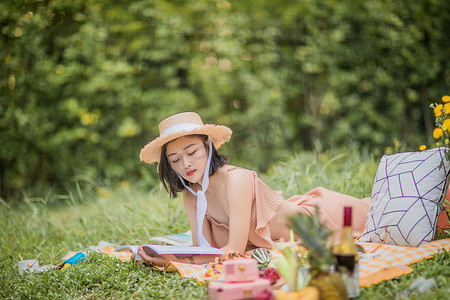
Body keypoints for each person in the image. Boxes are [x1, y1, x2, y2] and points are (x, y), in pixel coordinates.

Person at [134, 112, 370, 266]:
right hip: (295, 233)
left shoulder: (236, 180)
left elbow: (233, 251)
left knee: (389, 208)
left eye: (192, 152)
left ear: (208, 146)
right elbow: (204, 253)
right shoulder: (192, 195)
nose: (185, 164)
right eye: (174, 160)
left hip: (325, 219)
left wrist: (173, 262)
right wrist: (168, 258)